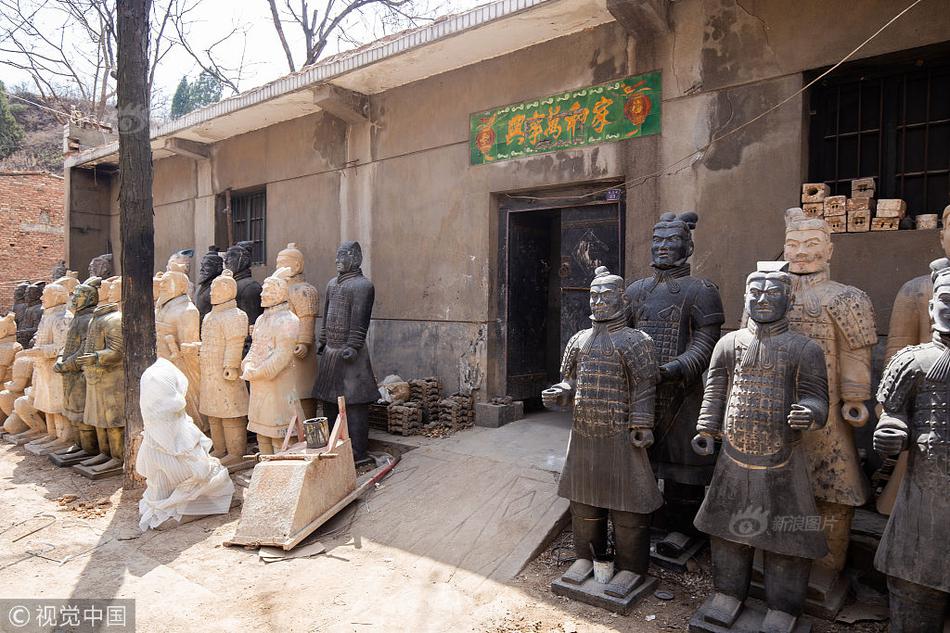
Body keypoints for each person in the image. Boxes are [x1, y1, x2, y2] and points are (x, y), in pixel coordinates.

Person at [692, 262, 829, 633]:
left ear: (789, 299)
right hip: (733, 457)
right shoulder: (727, 343)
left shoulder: (804, 349)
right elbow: (715, 391)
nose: (763, 299)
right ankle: (727, 595)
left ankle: (782, 609)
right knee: (726, 533)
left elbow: (818, 399)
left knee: (785, 536)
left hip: (782, 460)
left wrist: (810, 413)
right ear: (745, 297)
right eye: (755, 292)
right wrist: (706, 428)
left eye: (772, 293)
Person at [543, 266, 660, 598]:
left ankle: (631, 569)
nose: (597, 302)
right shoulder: (579, 339)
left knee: (627, 505)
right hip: (583, 434)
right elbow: (571, 381)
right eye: (593, 296)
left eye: (605, 296)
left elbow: (644, 386)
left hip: (621, 434)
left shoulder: (636, 341)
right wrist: (560, 391)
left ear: (621, 299)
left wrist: (641, 424)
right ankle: (585, 559)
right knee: (583, 504)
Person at [873, 258, 950, 633]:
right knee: (912, 582)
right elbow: (893, 411)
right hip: (923, 495)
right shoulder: (913, 361)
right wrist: (891, 430)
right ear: (932, 309)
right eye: (947, 299)